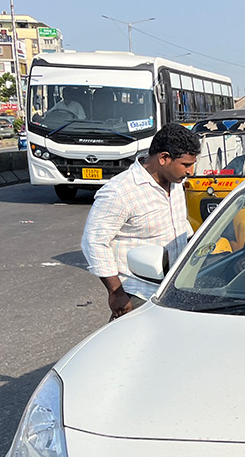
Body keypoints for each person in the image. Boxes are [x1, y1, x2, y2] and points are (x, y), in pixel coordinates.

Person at [81, 124, 199, 320]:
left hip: (174, 287)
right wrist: (116, 292)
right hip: (139, 294)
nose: (191, 171)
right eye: (186, 165)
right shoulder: (121, 191)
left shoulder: (175, 183)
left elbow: (179, 224)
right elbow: (94, 241)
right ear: (164, 158)